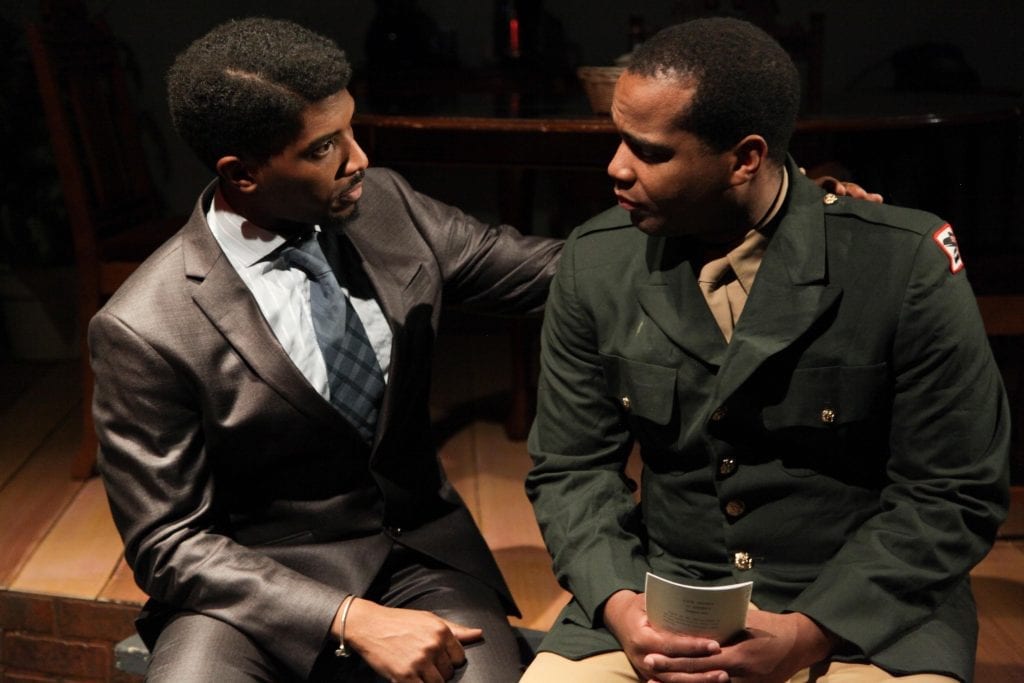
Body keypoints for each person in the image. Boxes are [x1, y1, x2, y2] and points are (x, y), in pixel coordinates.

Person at [523, 17, 1009, 683]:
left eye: (651, 152)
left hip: (866, 610)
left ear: (745, 158)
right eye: (619, 139)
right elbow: (571, 469)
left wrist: (809, 632)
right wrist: (620, 603)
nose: (616, 167)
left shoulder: (901, 263)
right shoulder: (598, 260)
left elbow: (954, 490)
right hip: (663, 600)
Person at [89, 17, 562, 683]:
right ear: (242, 174)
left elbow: (548, 272)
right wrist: (347, 616)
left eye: (350, 130)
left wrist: (692, 225)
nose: (358, 158)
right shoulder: (146, 324)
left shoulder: (385, 206)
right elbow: (168, 543)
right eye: (323, 148)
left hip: (415, 557)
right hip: (249, 586)